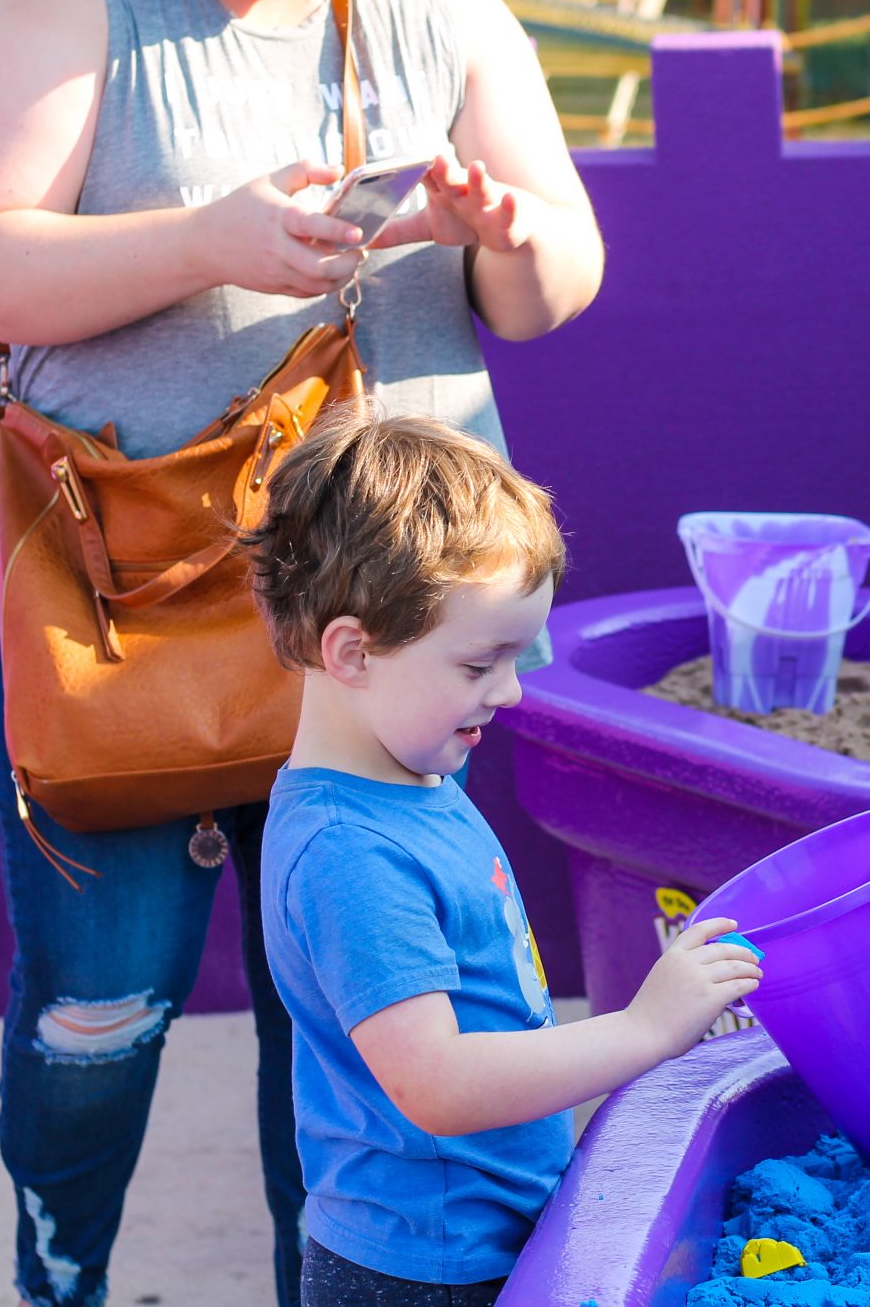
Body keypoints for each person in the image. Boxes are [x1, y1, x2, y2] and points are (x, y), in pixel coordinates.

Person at [0, 0, 603, 1302]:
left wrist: (506, 233)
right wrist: (204, 243)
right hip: (118, 622)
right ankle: (63, 1280)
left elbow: (556, 281)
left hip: (377, 629)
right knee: (97, 1012)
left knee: (355, 1009)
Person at [244, 411, 763, 1305]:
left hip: (477, 1225)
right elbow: (439, 1084)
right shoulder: (349, 853)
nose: (511, 691)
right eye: (481, 662)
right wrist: (645, 1030)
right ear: (353, 651)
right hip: (425, 1267)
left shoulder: (408, 772)